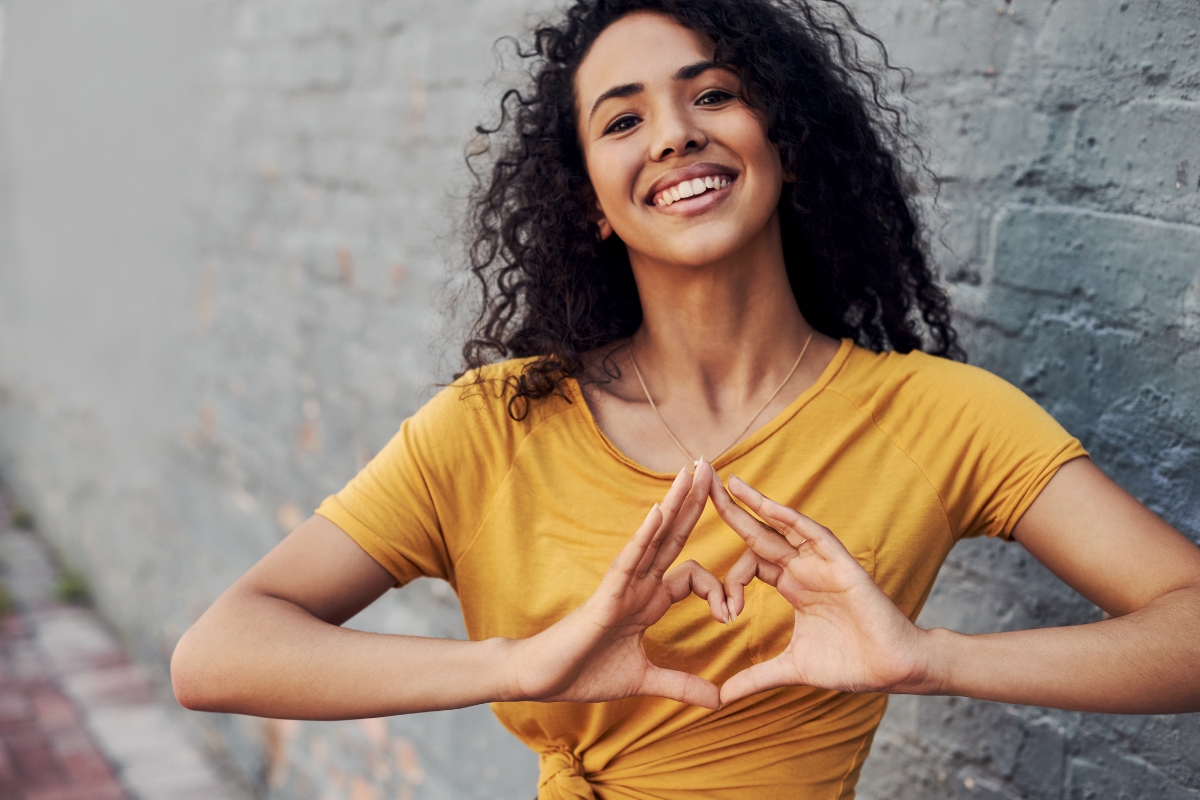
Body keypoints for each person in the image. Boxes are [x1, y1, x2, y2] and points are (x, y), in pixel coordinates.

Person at [169, 1, 1200, 798]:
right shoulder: (496, 424)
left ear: (785, 141)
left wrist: (933, 658)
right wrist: (524, 663)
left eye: (713, 95)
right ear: (590, 201)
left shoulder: (941, 415)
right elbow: (220, 652)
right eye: (623, 119)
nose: (672, 135)